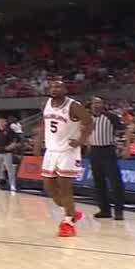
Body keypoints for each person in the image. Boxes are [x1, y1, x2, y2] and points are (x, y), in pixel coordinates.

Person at [34, 78, 94, 237]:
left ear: (65, 90)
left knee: (65, 186)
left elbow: (89, 123)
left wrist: (81, 140)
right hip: (51, 151)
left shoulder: (73, 106)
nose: (54, 89)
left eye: (58, 87)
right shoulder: (45, 104)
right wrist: (37, 143)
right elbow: (44, 124)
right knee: (49, 187)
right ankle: (72, 212)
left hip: (68, 151)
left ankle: (68, 222)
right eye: (52, 87)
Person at [87, 96, 127, 220]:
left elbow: (126, 131)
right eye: (94, 103)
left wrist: (126, 147)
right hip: (94, 151)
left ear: (103, 105)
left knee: (115, 182)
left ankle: (119, 210)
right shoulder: (87, 118)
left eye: (99, 103)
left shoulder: (111, 117)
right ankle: (104, 209)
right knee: (98, 182)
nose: (97, 105)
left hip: (108, 150)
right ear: (91, 105)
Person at [0, 116, 19, 192]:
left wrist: (11, 146)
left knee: (10, 169)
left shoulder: (9, 131)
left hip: (7, 152)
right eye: (0, 122)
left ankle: (12, 185)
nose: (1, 123)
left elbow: (15, 140)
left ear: (6, 122)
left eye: (3, 122)